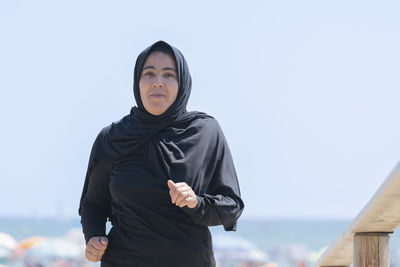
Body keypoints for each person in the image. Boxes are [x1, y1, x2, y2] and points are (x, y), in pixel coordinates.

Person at [78, 40, 245, 267]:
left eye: (169, 75)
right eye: (149, 74)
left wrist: (196, 202)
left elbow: (231, 206)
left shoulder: (205, 131)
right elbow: (93, 205)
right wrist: (94, 237)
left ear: (182, 82)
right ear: (137, 81)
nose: (158, 82)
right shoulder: (112, 138)